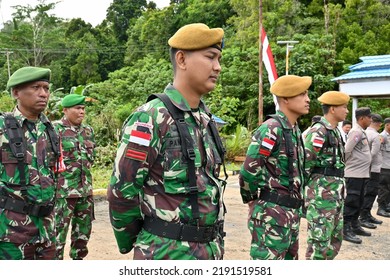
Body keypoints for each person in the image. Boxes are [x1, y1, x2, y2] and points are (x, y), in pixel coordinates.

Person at [107, 23, 227, 260]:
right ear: (181, 60)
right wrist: (145, 239)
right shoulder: (151, 117)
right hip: (165, 253)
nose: (218, 67)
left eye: (219, 59)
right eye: (210, 57)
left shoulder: (204, 118)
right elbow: (122, 190)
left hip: (208, 250)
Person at [239, 74, 311, 260]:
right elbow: (249, 170)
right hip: (271, 215)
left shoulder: (293, 130)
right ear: (285, 99)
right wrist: (253, 201)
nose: (308, 99)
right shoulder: (272, 128)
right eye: (302, 94)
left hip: (290, 216)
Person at [0, 66, 60, 260]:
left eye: (46, 88)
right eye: (35, 87)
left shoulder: (50, 130)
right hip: (12, 233)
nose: (43, 94)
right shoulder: (3, 129)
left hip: (47, 231)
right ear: (16, 92)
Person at [303, 91, 349, 260]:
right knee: (319, 243)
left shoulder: (335, 131)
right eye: (344, 107)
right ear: (332, 109)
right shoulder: (318, 131)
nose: (347, 111)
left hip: (334, 195)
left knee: (334, 241)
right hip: (321, 196)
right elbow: (305, 164)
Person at [53, 94, 96, 260]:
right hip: (63, 193)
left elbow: (90, 159)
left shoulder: (88, 131)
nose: (82, 112)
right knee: (57, 236)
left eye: (83, 108)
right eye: (77, 108)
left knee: (83, 235)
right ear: (65, 110)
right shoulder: (55, 129)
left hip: (85, 192)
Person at [343, 107, 372, 244]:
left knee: (359, 201)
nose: (371, 120)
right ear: (362, 118)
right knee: (352, 202)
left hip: (362, 174)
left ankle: (354, 225)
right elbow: (347, 151)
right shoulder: (355, 132)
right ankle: (345, 228)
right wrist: (348, 166)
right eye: (369, 117)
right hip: (354, 174)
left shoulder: (361, 132)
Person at [359, 113, 384, 227]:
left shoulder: (365, 132)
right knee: (371, 192)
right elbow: (373, 153)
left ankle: (366, 214)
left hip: (366, 168)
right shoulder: (375, 135)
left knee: (367, 192)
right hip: (373, 168)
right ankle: (364, 216)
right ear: (378, 124)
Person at [377, 117, 390, 218]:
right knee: (383, 188)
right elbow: (377, 151)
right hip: (384, 166)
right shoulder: (382, 136)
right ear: (387, 125)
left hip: (389, 166)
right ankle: (381, 208)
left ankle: (386, 206)